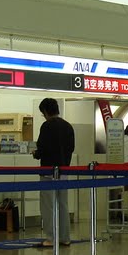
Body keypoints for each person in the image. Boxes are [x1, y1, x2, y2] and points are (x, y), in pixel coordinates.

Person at [32, 98, 75, 247]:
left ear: (45, 111)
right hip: (64, 170)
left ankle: (51, 237)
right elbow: (71, 148)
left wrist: (36, 153)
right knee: (63, 204)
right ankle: (65, 237)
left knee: (48, 205)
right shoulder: (68, 126)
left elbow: (42, 149)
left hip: (48, 171)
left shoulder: (47, 126)